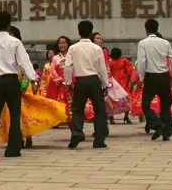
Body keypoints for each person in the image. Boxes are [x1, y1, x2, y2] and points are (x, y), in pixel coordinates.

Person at [0, 11, 39, 158]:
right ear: (9, 24)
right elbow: (25, 62)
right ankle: (13, 148)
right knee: (14, 114)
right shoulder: (15, 42)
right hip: (11, 81)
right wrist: (33, 79)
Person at [0, 26, 65, 150]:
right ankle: (18, 137)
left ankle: (27, 135)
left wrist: (25, 84)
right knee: (12, 114)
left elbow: (26, 68)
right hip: (11, 86)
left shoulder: (19, 49)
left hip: (22, 87)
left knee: (26, 113)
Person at [65, 21, 109, 149]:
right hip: (94, 81)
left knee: (77, 109)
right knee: (99, 110)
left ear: (79, 32)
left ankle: (77, 132)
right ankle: (99, 140)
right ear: (91, 32)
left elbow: (68, 66)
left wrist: (68, 82)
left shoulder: (73, 48)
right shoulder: (97, 48)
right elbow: (102, 68)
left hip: (80, 81)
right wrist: (105, 84)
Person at [136, 18, 172, 142]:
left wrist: (140, 78)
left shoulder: (143, 43)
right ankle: (167, 132)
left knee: (145, 104)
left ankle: (157, 124)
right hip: (164, 76)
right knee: (165, 105)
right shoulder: (165, 43)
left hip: (151, 77)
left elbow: (142, 62)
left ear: (146, 30)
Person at [51, 35, 95, 126]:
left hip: (74, 85)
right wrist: (61, 79)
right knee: (64, 107)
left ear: (68, 44)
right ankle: (73, 126)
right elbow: (52, 71)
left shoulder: (73, 55)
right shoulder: (55, 58)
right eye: (60, 43)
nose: (62, 45)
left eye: (64, 43)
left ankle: (78, 126)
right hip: (62, 86)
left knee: (78, 105)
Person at [108, 48, 135, 124]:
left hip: (113, 84)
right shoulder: (124, 61)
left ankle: (111, 118)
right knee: (126, 100)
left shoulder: (109, 62)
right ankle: (126, 117)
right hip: (124, 83)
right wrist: (132, 82)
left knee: (111, 100)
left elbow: (108, 73)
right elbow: (130, 72)